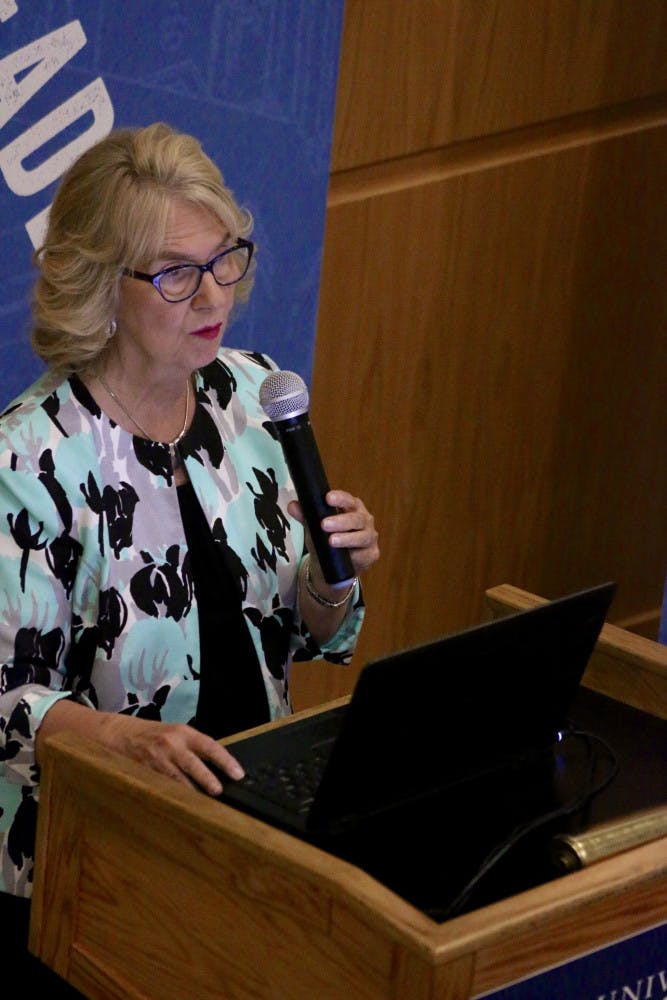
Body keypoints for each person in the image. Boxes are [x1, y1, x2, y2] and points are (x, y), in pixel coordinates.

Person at [0, 122, 379, 987]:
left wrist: (329, 576)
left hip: (249, 830)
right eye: (176, 273)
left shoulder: (251, 396)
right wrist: (119, 741)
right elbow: (6, 702)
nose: (213, 296)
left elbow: (307, 634)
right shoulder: (28, 462)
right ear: (101, 285)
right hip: (85, 870)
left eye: (224, 260)